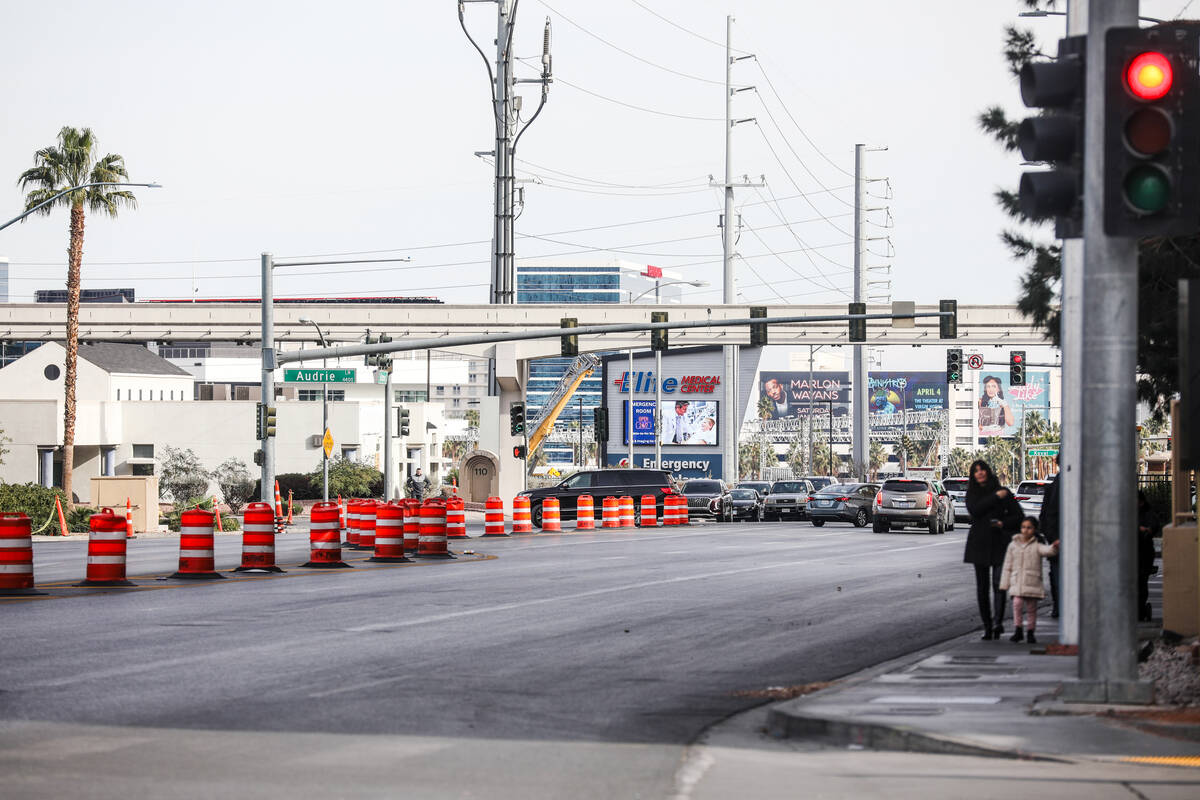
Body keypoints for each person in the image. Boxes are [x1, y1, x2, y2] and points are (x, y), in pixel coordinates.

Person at [965, 459, 1023, 640]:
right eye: (976, 471)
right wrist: (995, 497)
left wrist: (1003, 523)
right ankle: (987, 626)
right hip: (979, 544)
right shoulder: (974, 493)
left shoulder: (1004, 492)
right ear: (973, 475)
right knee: (982, 588)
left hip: (999, 543)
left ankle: (998, 623)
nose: (980, 473)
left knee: (999, 584)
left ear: (988, 472)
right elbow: (975, 510)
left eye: (982, 470)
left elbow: (1019, 517)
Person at [999, 516, 1060, 643]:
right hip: (1018, 582)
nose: (1026, 530)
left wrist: (1054, 547)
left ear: (1034, 530)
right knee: (1017, 604)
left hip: (1032, 582)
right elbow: (1007, 565)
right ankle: (1018, 629)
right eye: (1023, 527)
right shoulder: (1013, 545)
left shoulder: (1037, 545)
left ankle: (1030, 631)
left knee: (1032, 609)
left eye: (1029, 528)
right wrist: (1004, 584)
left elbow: (1048, 551)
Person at [1038, 455, 1061, 617]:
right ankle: (1058, 606)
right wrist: (1053, 539)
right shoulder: (1053, 488)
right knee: (1056, 576)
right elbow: (1045, 518)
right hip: (1057, 544)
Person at [1137, 490, 1162, 622]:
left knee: (1141, 583)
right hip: (1138, 553)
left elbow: (1153, 526)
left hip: (1143, 553)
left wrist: (1146, 530)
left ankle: (1140, 610)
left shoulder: (1147, 514)